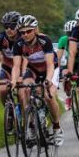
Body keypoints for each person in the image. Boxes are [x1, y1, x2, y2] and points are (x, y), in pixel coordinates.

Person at [10, 15, 64, 146]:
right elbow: (16, 66)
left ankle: (57, 128)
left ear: (35, 30)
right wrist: (13, 81)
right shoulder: (19, 44)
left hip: (50, 69)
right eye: (22, 32)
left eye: (28, 31)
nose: (25, 34)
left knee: (48, 95)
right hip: (33, 70)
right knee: (25, 90)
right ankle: (32, 125)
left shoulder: (44, 40)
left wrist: (48, 80)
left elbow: (50, 64)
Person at [0, 11, 21, 105]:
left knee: (22, 94)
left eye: (12, 27)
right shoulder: (0, 38)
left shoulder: (23, 37)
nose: (8, 29)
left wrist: (22, 75)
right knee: (3, 90)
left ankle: (25, 115)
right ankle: (9, 111)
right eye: (6, 27)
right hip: (6, 68)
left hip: (21, 67)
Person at [57, 20, 76, 110]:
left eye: (72, 33)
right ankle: (68, 97)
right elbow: (58, 57)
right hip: (70, 61)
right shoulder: (63, 39)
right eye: (68, 33)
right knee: (65, 75)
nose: (70, 35)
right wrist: (56, 69)